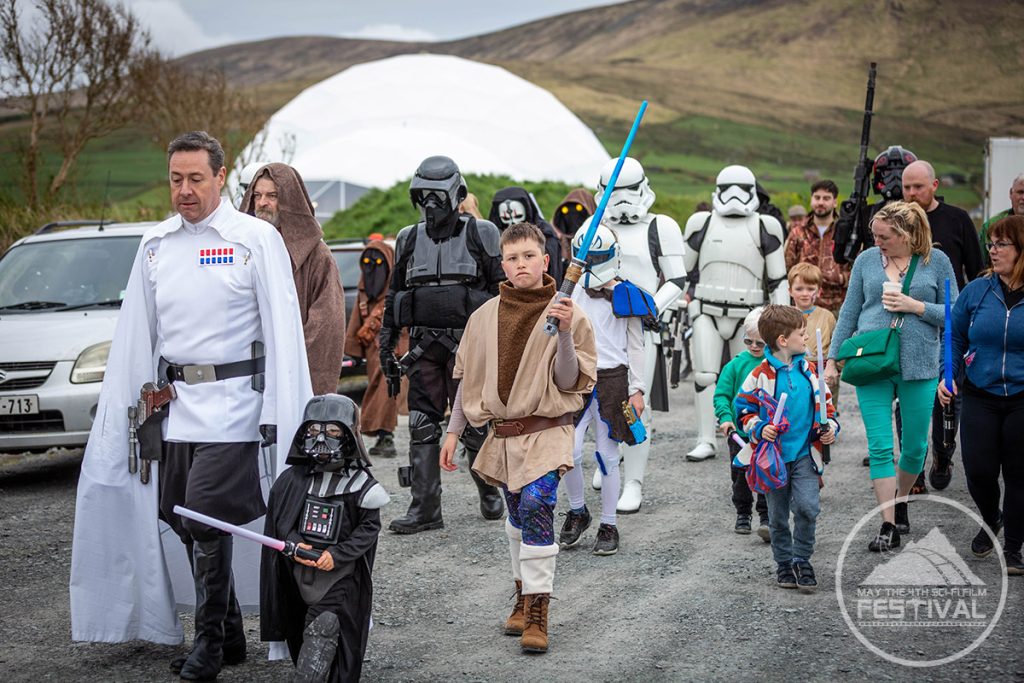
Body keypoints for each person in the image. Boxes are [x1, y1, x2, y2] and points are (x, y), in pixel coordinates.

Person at [69, 131, 312, 682]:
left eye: (195, 178)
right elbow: (138, 334)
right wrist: (132, 414)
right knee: (176, 513)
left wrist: (277, 410)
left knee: (205, 515)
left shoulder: (254, 239)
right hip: (176, 407)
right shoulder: (155, 245)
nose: (184, 190)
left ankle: (208, 645)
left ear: (221, 177)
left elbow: (282, 331)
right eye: (176, 179)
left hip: (234, 408)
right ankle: (227, 631)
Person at [441, 222, 597, 654]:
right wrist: (453, 432)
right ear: (502, 264)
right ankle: (523, 595)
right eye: (512, 258)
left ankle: (538, 613)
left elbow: (570, 381)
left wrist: (564, 333)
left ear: (546, 260)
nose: (520, 264)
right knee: (516, 519)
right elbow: (468, 382)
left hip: (547, 432)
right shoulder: (483, 317)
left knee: (536, 505)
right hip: (502, 437)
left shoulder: (569, 313)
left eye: (529, 256)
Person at [379, 156, 506, 533]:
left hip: (468, 347)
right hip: (423, 350)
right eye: (424, 197)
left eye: (438, 196)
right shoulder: (407, 238)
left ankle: (488, 488)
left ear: (456, 194)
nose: (430, 205)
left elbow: (504, 293)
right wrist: (386, 349)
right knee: (421, 425)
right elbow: (395, 296)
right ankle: (425, 509)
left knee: (472, 425)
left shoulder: (480, 233)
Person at [825, 201, 957, 553]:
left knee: (914, 448)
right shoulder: (867, 261)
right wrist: (831, 360)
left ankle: (900, 499)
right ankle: (887, 523)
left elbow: (955, 314)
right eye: (875, 235)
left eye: (884, 236)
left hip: (920, 365)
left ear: (906, 234)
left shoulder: (938, 262)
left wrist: (915, 307)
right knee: (881, 446)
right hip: (871, 363)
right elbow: (850, 311)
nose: (877, 241)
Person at [261, 394, 388, 682]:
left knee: (325, 625)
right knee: (301, 625)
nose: (322, 440)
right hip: (300, 572)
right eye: (314, 431)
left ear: (348, 435)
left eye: (332, 431)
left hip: (339, 576)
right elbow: (281, 520)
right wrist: (294, 544)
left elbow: (369, 528)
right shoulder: (293, 480)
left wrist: (338, 555)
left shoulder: (360, 485)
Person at [584, 157, 687, 512]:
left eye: (629, 191)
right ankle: (609, 460)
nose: (623, 200)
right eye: (616, 192)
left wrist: (651, 309)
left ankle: (634, 483)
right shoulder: (592, 225)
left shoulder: (662, 227)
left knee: (635, 406)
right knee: (598, 403)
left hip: (642, 328)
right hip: (600, 328)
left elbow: (676, 279)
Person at [683, 164, 789, 461]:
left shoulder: (765, 226)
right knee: (704, 376)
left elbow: (778, 279)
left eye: (741, 189)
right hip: (706, 309)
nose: (733, 196)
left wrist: (787, 322)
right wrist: (687, 304)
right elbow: (682, 272)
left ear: (753, 192)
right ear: (717, 190)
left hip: (750, 315)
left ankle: (745, 433)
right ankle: (706, 437)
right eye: (727, 188)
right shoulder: (701, 223)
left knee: (749, 377)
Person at [940, 215, 1024, 575]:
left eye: (1001, 244)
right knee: (979, 469)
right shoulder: (977, 291)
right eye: (990, 243)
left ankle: (1014, 548)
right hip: (979, 392)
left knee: (1020, 474)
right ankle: (992, 517)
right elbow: (955, 336)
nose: (992, 250)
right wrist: (950, 376)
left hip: (1022, 397)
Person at [559, 223, 650, 556]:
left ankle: (609, 523)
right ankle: (578, 510)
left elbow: (637, 345)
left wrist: (638, 389)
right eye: (585, 257)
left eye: (596, 257)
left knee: (607, 455)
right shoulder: (570, 291)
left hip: (613, 380)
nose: (590, 263)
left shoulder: (627, 294)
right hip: (577, 378)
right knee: (567, 452)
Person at [735, 305, 838, 592]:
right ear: (783, 340)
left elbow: (828, 410)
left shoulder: (811, 372)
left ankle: (802, 559)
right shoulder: (760, 375)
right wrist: (758, 427)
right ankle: (783, 562)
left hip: (805, 454)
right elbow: (743, 409)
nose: (806, 339)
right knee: (778, 516)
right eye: (801, 334)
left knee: (807, 508)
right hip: (773, 459)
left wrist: (830, 430)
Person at [902, 159, 983, 493]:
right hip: (910, 324)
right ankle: (915, 468)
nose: (910, 193)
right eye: (906, 187)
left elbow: (976, 270)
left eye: (917, 187)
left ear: (934, 186)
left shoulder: (957, 220)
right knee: (908, 399)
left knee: (946, 396)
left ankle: (943, 452)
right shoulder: (898, 221)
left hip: (951, 324)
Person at [241, 162, 346, 396]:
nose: (262, 203)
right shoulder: (240, 251)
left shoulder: (318, 257)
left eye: (272, 196)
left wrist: (290, 372)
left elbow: (326, 327)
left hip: (289, 377)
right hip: (241, 376)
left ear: (291, 201)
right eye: (257, 195)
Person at [345, 239, 408, 457]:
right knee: (375, 388)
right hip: (373, 350)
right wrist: (352, 346)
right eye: (368, 262)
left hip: (392, 346)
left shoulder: (397, 289)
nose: (373, 266)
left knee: (386, 389)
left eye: (379, 262)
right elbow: (355, 319)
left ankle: (386, 435)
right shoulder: (364, 290)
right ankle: (380, 434)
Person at [713, 306, 769, 540]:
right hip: (740, 433)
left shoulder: (774, 365)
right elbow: (722, 395)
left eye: (760, 343)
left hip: (767, 432)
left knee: (768, 473)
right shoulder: (735, 365)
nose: (754, 347)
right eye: (749, 342)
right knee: (740, 475)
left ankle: (767, 515)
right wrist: (726, 419)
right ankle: (743, 513)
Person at [784, 180, 851, 316]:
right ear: (811, 200)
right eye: (817, 197)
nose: (820, 202)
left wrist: (840, 278)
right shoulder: (798, 232)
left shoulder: (846, 232)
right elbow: (787, 267)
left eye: (826, 198)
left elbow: (858, 268)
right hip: (802, 307)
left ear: (835, 202)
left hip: (837, 307)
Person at [488, 186, 564, 285]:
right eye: (505, 218)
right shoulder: (493, 237)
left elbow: (554, 273)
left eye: (518, 216)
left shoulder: (547, 235)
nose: (513, 223)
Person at [979, 173, 1024, 267]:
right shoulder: (992, 225)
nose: (1023, 198)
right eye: (1020, 192)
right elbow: (980, 264)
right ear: (1011, 193)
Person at [550, 188, 596, 269]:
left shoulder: (600, 239)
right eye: (566, 210)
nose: (572, 216)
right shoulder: (557, 242)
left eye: (579, 209)